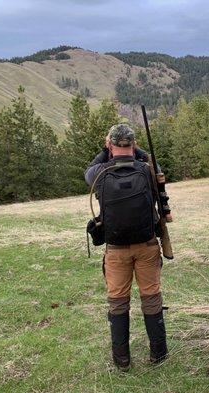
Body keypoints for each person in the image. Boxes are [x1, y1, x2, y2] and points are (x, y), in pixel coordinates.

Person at [85, 124, 168, 371]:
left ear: (110, 145)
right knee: (151, 297)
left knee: (118, 302)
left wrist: (104, 149)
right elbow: (159, 174)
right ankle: (159, 354)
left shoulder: (99, 173)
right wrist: (138, 149)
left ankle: (122, 361)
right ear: (132, 144)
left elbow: (88, 170)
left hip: (116, 250)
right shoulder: (147, 170)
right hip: (147, 245)